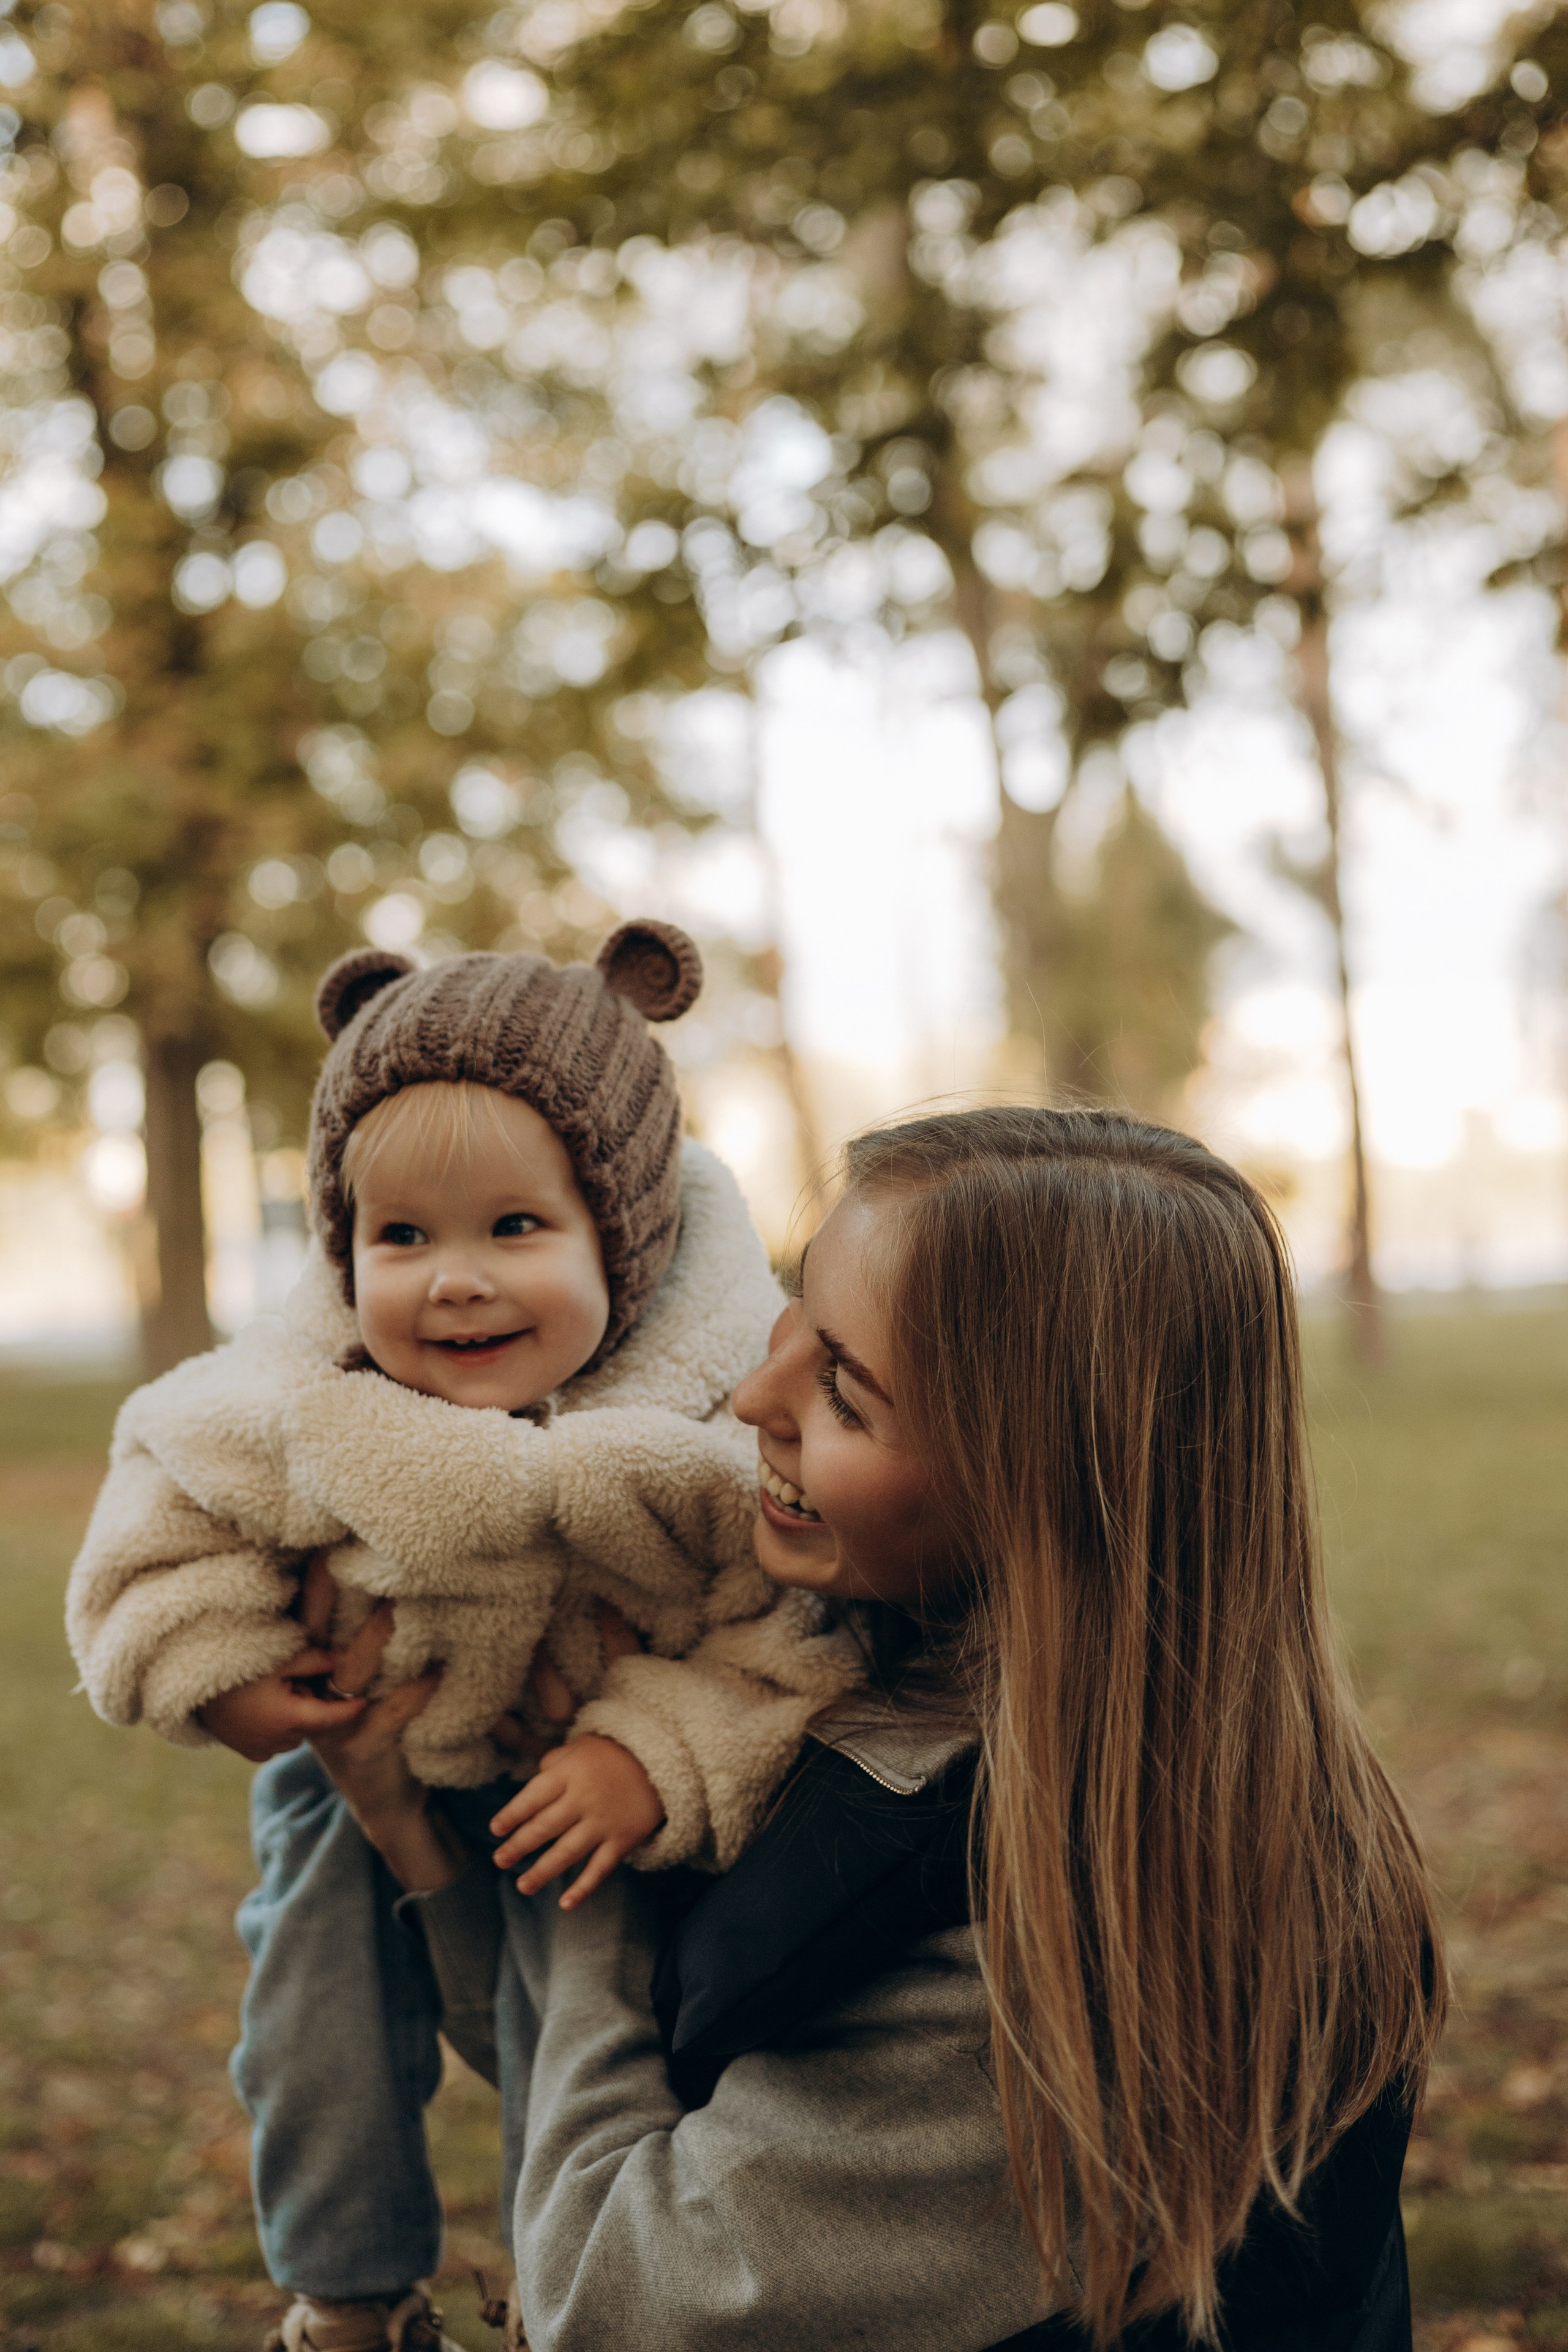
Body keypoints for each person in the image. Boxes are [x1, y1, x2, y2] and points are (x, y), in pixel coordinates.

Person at [318, 1104, 1446, 2352]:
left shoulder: (1069, 1924)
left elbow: (605, 2285)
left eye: (845, 1394)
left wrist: (600, 1827)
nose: (755, 1392)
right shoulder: (888, 1684)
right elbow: (635, 2090)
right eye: (795, 1315)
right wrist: (413, 1828)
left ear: (1046, 1485)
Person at [64, 922, 864, 2352]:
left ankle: (569, 2290)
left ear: (622, 1231)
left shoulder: (708, 1420)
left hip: (582, 1783)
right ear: (340, 1248)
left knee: (582, 2041)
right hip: (368, 1751)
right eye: (400, 1239)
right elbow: (159, 1518)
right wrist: (237, 1686)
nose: (452, 1280)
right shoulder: (299, 1395)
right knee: (310, 1996)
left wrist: (651, 1758)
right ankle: (344, 2290)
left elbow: (786, 1647)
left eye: (513, 1229)